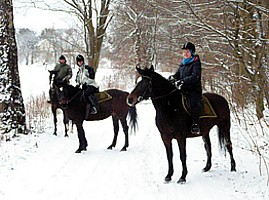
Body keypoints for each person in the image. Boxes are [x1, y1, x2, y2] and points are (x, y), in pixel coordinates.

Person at [169, 42, 202, 134]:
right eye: (184, 52)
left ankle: (195, 124)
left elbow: (195, 76)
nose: (185, 53)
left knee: (192, 103)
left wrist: (183, 81)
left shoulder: (196, 63)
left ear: (192, 52)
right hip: (183, 89)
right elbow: (177, 74)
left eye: (187, 51)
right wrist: (173, 78)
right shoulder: (183, 64)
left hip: (193, 90)